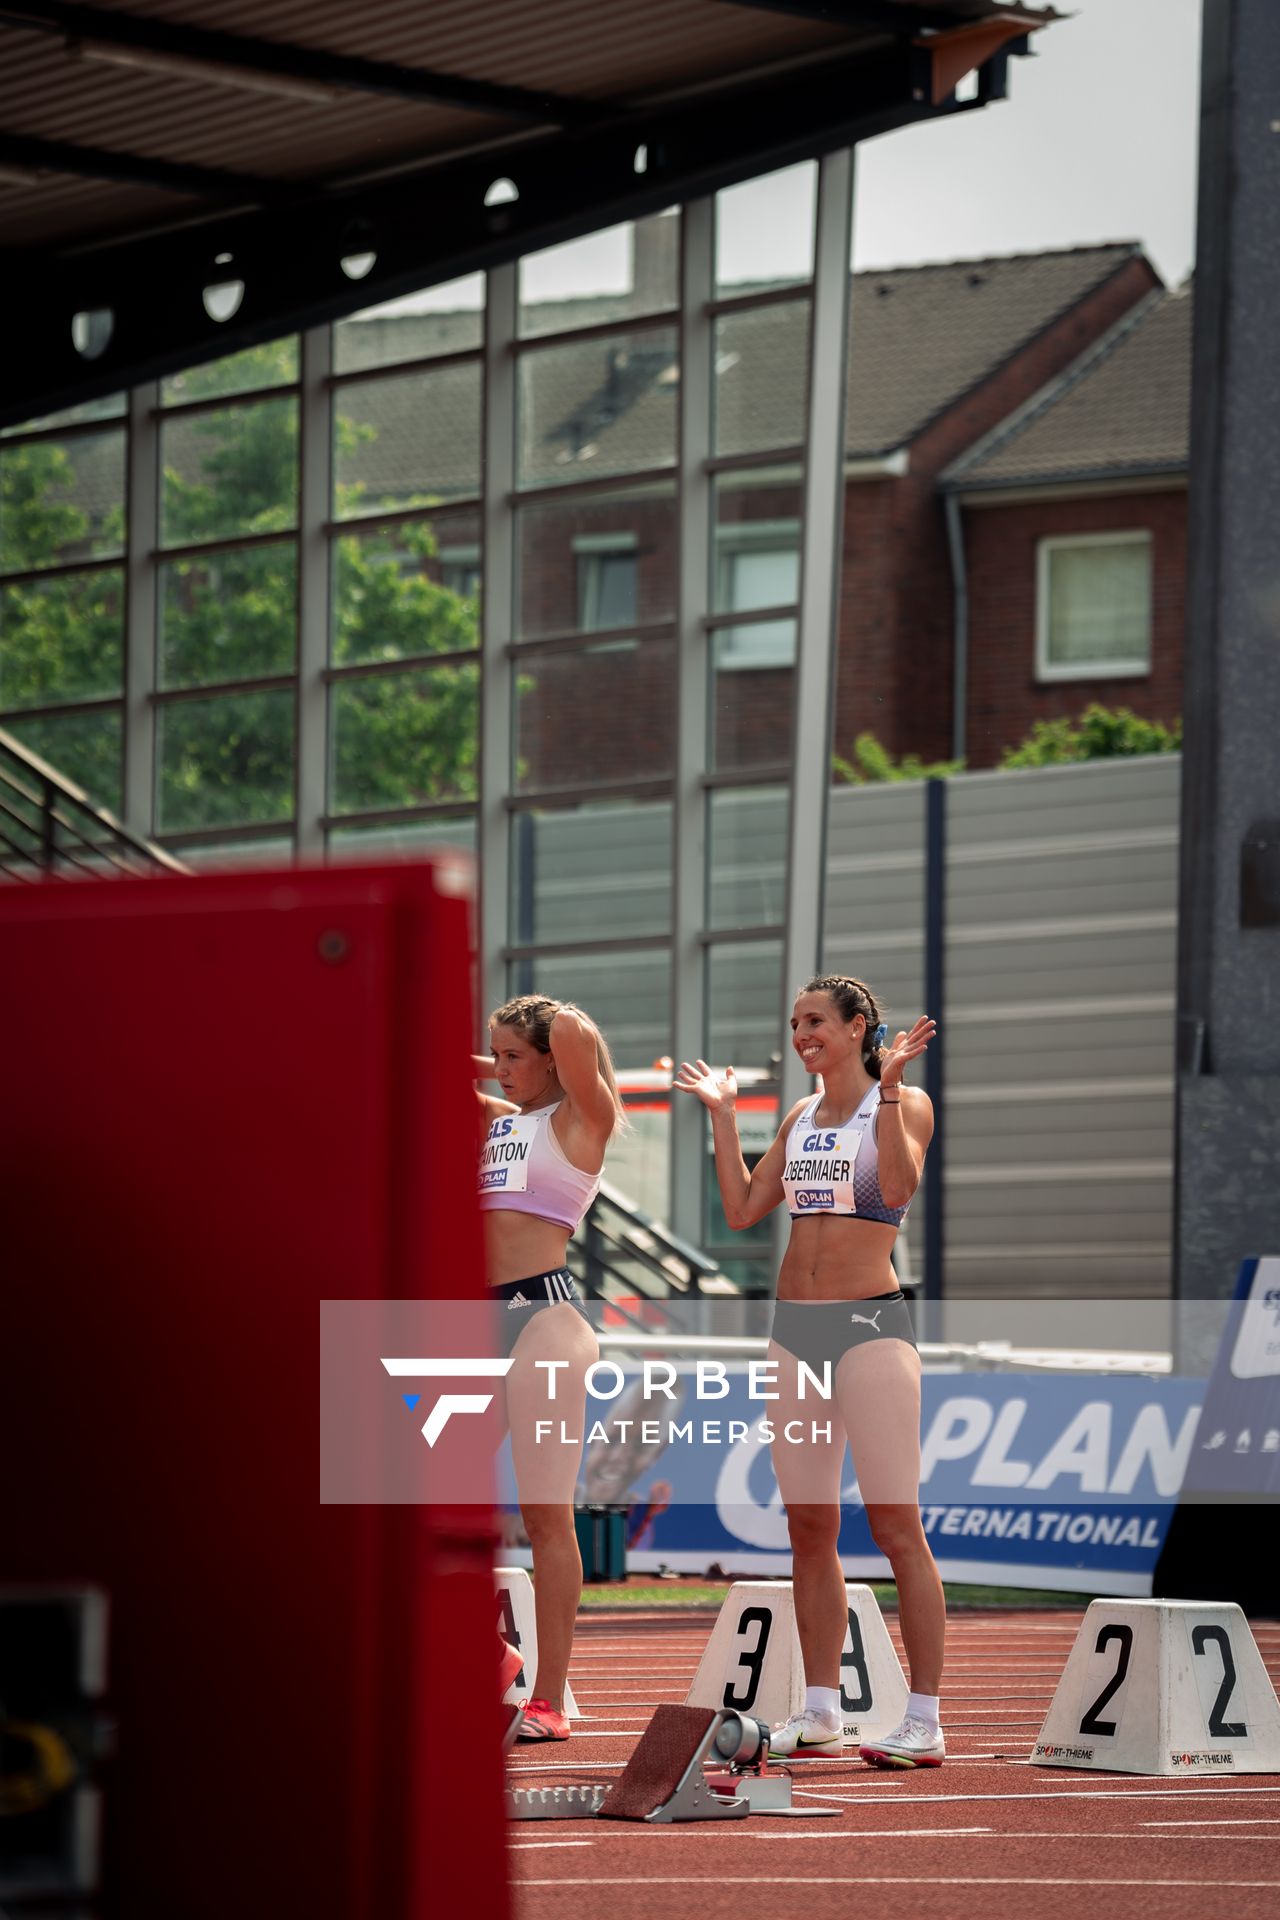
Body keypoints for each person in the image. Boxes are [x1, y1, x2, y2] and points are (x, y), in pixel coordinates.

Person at [674, 974, 946, 1769]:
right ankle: (822, 1709)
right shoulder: (797, 1117)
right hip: (794, 1335)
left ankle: (924, 1718)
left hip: (869, 1328)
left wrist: (891, 1092)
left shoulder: (904, 1102)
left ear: (860, 1026)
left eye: (817, 1022)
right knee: (808, 1528)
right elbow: (740, 1211)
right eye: (796, 1023)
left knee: (898, 1528)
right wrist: (725, 1119)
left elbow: (897, 1189)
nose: (802, 1036)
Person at [473, 993, 625, 1742]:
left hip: (545, 1322)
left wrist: (543, 1019)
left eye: (511, 1057)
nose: (499, 1070)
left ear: (548, 1062)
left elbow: (570, 1032)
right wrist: (499, 1054)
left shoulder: (580, 1121)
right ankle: (491, 1657)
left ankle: (550, 1698)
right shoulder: (503, 1121)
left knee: (544, 1517)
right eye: (492, 1056)